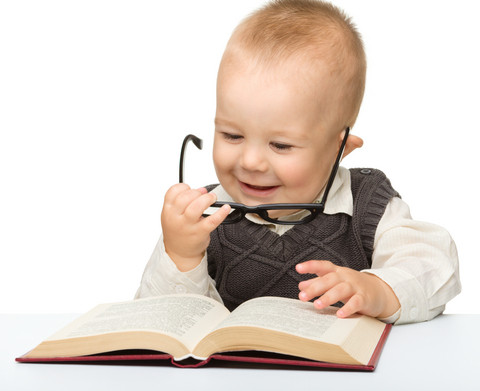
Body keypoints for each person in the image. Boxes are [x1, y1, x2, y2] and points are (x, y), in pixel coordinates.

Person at [135, 0, 460, 324]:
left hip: (345, 375)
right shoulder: (202, 218)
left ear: (340, 149)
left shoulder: (365, 204)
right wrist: (181, 256)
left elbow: (433, 262)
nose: (250, 161)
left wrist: (376, 289)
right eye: (232, 136)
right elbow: (156, 320)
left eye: (280, 145)